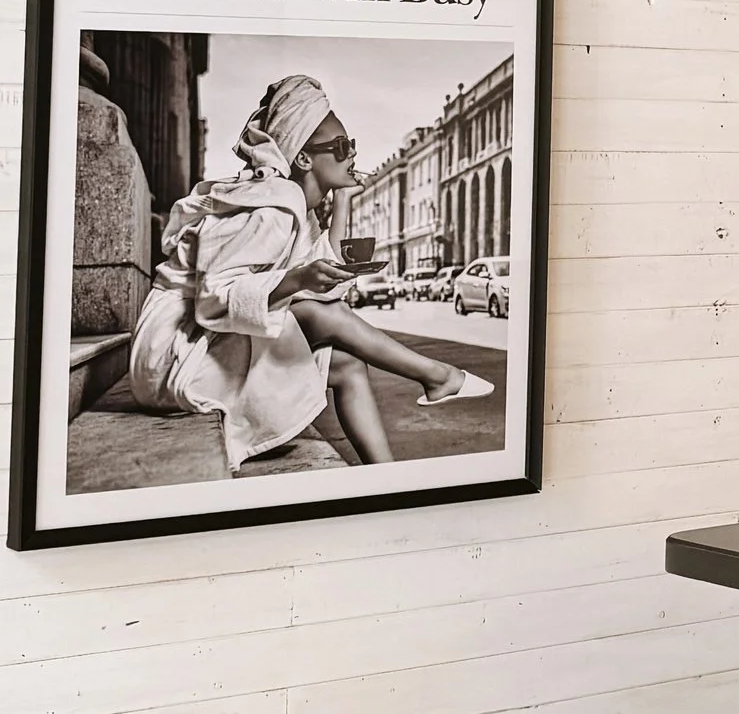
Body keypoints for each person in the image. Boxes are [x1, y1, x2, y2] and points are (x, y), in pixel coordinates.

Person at [127, 71, 493, 471]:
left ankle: (387, 477)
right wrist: (298, 280)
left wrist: (343, 201)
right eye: (340, 147)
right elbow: (215, 297)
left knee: (348, 366)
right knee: (320, 315)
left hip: (206, 343)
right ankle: (436, 375)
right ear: (303, 159)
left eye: (352, 145)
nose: (351, 155)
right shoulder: (269, 206)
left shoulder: (295, 207)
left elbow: (326, 284)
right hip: (173, 354)